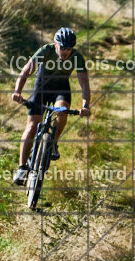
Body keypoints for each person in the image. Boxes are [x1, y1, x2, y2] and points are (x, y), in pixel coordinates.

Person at [10, 27, 91, 185]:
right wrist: (17, 92)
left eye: (69, 48)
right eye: (63, 47)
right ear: (55, 45)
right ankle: (22, 167)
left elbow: (84, 83)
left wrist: (85, 105)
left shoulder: (77, 57)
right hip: (42, 86)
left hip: (61, 89)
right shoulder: (45, 51)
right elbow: (26, 71)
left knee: (62, 111)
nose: (66, 51)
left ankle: (53, 143)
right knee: (33, 125)